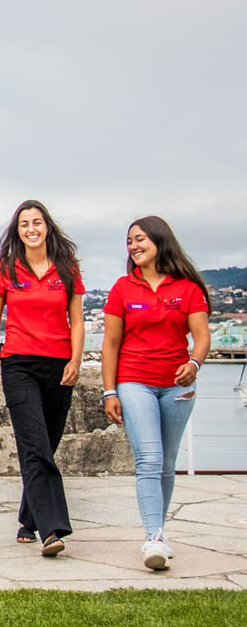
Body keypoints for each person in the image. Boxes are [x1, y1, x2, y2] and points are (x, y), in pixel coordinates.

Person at [0, 199, 84, 557]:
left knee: (46, 445)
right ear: (17, 231)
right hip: (18, 364)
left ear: (47, 226)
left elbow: (77, 320)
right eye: (24, 224)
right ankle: (51, 529)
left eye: (36, 222)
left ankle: (27, 516)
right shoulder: (7, 269)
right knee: (34, 445)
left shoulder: (67, 268)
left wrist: (76, 360)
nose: (31, 229)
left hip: (58, 365)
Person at [101, 216, 210, 571]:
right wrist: (108, 391)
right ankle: (154, 536)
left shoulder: (188, 288)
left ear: (160, 242)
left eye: (140, 239)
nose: (133, 246)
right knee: (148, 458)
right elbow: (111, 344)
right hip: (134, 381)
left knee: (166, 462)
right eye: (129, 241)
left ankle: (158, 532)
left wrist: (194, 363)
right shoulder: (122, 289)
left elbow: (201, 336)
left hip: (177, 386)